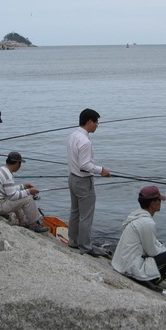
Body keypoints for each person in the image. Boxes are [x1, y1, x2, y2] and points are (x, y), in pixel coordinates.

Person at [111, 186, 166, 292]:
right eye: (159, 200)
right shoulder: (147, 223)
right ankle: (152, 281)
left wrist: (164, 249)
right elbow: (152, 251)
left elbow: (153, 244)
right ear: (152, 203)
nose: (160, 202)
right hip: (130, 269)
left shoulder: (136, 215)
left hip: (121, 264)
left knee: (161, 245)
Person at [67, 108, 110, 257]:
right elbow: (84, 165)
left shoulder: (73, 135)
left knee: (75, 212)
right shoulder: (85, 141)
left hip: (72, 178)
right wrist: (101, 170)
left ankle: (72, 241)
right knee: (86, 216)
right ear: (90, 121)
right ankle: (85, 246)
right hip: (83, 182)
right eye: (96, 122)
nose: (97, 125)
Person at [0, 151, 48, 232]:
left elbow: (9, 190)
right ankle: (34, 225)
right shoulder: (7, 175)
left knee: (20, 196)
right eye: (20, 163)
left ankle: (22, 221)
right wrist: (29, 191)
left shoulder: (2, 169)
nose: (20, 166)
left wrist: (23, 186)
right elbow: (12, 196)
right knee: (27, 198)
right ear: (17, 163)